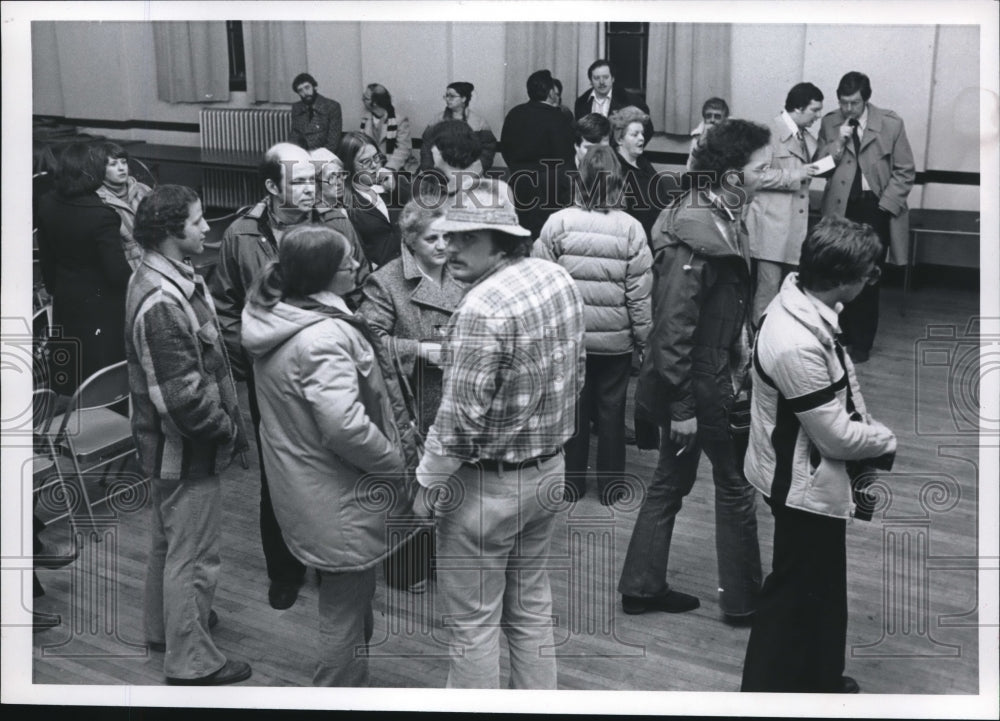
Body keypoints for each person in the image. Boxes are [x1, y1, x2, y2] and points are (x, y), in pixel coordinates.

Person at [413, 178, 586, 688]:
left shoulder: (480, 306)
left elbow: (460, 423)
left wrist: (427, 484)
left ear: (503, 239)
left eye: (468, 238)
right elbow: (575, 372)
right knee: (531, 608)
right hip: (549, 471)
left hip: (486, 492)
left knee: (473, 625)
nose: (449, 249)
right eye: (447, 237)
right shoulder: (558, 279)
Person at [241, 224, 414, 686]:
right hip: (336, 496)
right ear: (321, 275)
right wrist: (394, 462)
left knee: (350, 600)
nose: (357, 265)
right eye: (346, 262)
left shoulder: (282, 314)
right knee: (343, 609)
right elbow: (344, 427)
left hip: (312, 487)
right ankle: (336, 695)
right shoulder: (323, 339)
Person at [619, 119, 770, 623]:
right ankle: (746, 603)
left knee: (669, 480)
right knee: (733, 485)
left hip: (706, 375)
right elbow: (671, 330)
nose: (767, 175)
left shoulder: (721, 216)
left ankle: (642, 586)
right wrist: (682, 407)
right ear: (730, 175)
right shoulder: (695, 231)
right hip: (703, 384)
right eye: (760, 168)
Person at [740, 216, 897, 693]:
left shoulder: (805, 309)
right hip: (800, 486)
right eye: (869, 272)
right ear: (844, 277)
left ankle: (820, 678)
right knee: (791, 592)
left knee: (823, 587)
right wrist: (885, 439)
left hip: (808, 477)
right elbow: (833, 437)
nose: (872, 280)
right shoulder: (795, 340)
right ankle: (760, 695)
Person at [127, 184, 251, 686]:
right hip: (186, 451)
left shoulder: (165, 275)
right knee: (194, 555)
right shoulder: (161, 298)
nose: (207, 228)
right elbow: (180, 398)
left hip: (167, 451)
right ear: (170, 234)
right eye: (198, 222)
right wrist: (225, 430)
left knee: (169, 544)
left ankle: (166, 628)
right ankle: (191, 661)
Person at [210, 142, 331, 611]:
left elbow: (356, 287)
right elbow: (224, 303)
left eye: (312, 180)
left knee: (326, 468)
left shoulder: (332, 222)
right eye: (299, 181)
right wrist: (245, 362)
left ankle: (327, 560)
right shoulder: (241, 233)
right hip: (268, 376)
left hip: (324, 368)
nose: (311, 189)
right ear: (270, 186)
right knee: (277, 474)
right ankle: (284, 571)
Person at [533, 145, 652, 505]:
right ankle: (612, 489)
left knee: (575, 410)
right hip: (616, 343)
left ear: (580, 179)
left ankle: (571, 485)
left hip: (570, 339)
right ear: (618, 182)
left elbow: (541, 282)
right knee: (612, 411)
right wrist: (644, 339)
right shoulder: (632, 228)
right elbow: (639, 295)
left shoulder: (558, 222)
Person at [817, 71, 915, 363]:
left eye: (855, 103)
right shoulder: (829, 123)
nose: (848, 109)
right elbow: (820, 169)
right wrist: (838, 141)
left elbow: (905, 171)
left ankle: (862, 343)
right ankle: (841, 335)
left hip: (876, 207)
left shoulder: (890, 123)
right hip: (840, 208)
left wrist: (886, 206)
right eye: (843, 102)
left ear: (866, 100)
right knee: (838, 273)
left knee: (868, 276)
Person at [357, 198, 465, 435]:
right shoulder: (386, 281)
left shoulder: (465, 271)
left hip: (465, 397)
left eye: (447, 237)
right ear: (411, 240)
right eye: (431, 239)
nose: (441, 246)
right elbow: (365, 341)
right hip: (416, 407)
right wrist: (418, 349)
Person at [35, 142, 132, 396]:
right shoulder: (102, 215)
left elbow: (47, 259)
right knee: (108, 381)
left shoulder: (46, 203)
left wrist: (57, 291)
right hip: (104, 306)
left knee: (72, 376)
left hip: (67, 299)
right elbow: (118, 274)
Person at [745, 82, 824, 325]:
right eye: (814, 110)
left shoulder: (804, 137)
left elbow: (814, 166)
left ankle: (777, 344)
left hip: (791, 229)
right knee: (767, 292)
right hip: (771, 228)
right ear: (798, 108)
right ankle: (758, 347)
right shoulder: (769, 132)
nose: (818, 116)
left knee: (787, 291)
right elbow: (753, 176)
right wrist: (794, 175)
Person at [500, 69, 575, 237]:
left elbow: (505, 147)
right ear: (550, 93)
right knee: (547, 236)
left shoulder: (514, 113)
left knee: (521, 232)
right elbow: (566, 155)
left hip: (519, 182)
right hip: (549, 188)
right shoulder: (559, 118)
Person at [309, 147, 371, 308]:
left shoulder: (344, 209)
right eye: (331, 177)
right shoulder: (315, 218)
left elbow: (361, 265)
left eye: (341, 175)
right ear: (315, 182)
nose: (339, 182)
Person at [338, 131, 409, 268]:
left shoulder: (391, 180)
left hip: (411, 263)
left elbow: (421, 210)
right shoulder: (347, 202)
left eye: (376, 157)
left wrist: (395, 188)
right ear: (349, 165)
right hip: (380, 272)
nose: (374, 165)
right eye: (365, 162)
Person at [610, 105, 680, 244]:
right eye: (635, 135)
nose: (642, 138)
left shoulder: (643, 163)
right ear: (619, 139)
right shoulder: (615, 169)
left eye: (642, 133)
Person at [95, 140, 152, 270]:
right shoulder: (98, 201)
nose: (121, 168)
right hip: (125, 267)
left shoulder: (144, 190)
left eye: (124, 162)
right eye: (113, 164)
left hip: (155, 258)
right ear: (100, 169)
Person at [420, 82, 497, 172]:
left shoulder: (479, 123)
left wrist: (476, 169)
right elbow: (426, 146)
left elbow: (488, 150)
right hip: (440, 171)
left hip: (470, 172)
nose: (448, 99)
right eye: (446, 96)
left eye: (452, 96)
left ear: (464, 98)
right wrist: (429, 170)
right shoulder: (437, 120)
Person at [574, 59, 654, 140]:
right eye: (596, 78)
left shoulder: (632, 100)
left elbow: (648, 131)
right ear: (591, 81)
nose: (601, 82)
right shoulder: (581, 102)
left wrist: (629, 151)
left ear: (613, 79)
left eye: (606, 77)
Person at [419, 119, 485, 201]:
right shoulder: (443, 181)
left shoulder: (473, 195)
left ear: (448, 150)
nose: (431, 150)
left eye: (434, 144)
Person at [360, 83, 414, 173]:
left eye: (365, 98)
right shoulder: (365, 120)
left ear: (375, 103)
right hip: (374, 167)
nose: (363, 100)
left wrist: (388, 168)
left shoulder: (399, 120)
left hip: (397, 168)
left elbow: (404, 150)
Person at [289, 72, 343, 152]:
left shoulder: (332, 107)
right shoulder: (297, 107)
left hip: (324, 155)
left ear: (315, 87)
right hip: (302, 155)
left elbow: (333, 142)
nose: (305, 93)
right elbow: (294, 136)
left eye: (307, 88)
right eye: (300, 90)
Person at [687, 97, 730, 170]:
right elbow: (690, 168)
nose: (712, 120)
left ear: (725, 120)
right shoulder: (698, 138)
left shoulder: (732, 137)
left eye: (717, 117)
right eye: (708, 116)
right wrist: (699, 146)